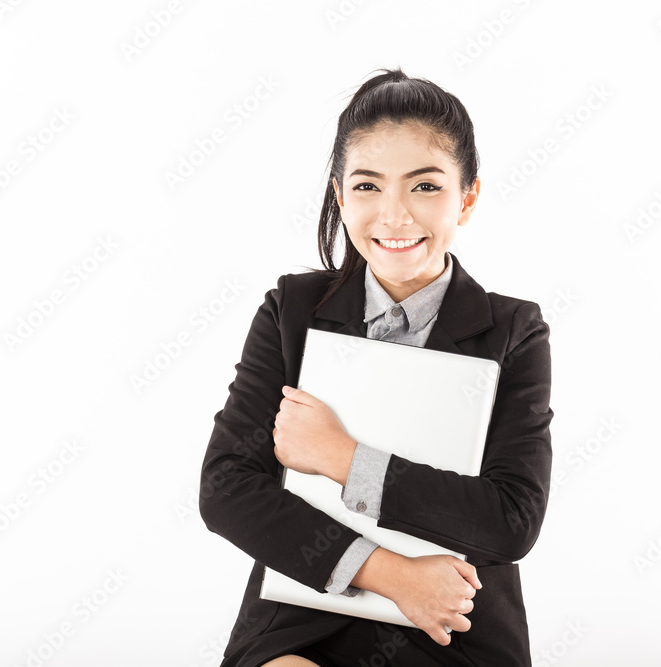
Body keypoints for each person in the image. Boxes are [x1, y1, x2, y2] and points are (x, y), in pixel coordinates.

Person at [199, 67, 554, 667]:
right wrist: (389, 573)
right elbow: (228, 489)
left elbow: (509, 521)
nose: (394, 216)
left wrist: (341, 457)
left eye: (424, 187)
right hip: (305, 604)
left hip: (450, 617)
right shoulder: (293, 309)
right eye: (367, 187)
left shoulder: (514, 331)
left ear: (466, 197)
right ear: (340, 196)